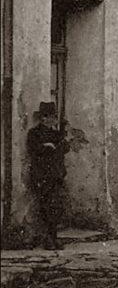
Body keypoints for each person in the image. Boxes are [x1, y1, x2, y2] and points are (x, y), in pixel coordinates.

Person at [27, 102, 69, 250]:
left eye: (55, 117)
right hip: (41, 176)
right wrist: (45, 147)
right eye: (51, 117)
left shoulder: (56, 134)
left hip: (55, 175)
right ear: (44, 118)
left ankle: (54, 237)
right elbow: (32, 149)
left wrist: (64, 141)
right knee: (45, 208)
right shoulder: (34, 133)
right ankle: (47, 240)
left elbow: (64, 149)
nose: (54, 120)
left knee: (56, 208)